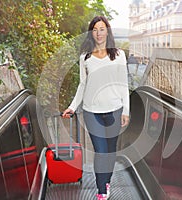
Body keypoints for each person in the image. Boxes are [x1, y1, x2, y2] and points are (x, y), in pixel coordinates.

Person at [62, 16, 130, 200]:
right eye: (95, 29)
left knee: (110, 150)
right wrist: (72, 107)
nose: (98, 33)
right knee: (101, 151)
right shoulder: (85, 57)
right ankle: (101, 191)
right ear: (91, 33)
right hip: (92, 111)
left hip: (115, 110)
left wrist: (126, 111)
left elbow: (124, 83)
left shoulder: (118, 54)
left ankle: (105, 180)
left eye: (102, 29)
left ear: (107, 31)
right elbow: (82, 85)